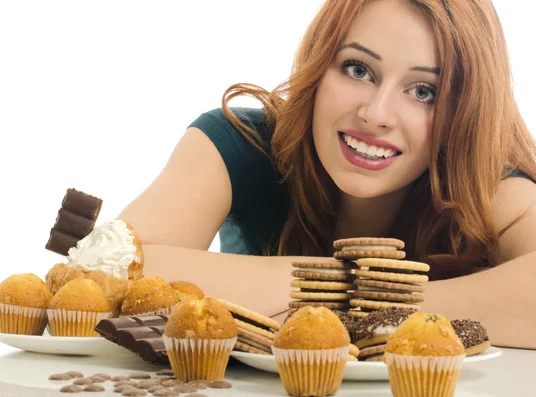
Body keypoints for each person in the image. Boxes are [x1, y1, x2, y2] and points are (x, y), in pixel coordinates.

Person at [119, 0, 536, 349]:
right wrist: (355, 285)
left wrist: (366, 304)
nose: (376, 114)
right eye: (358, 69)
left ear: (465, 113)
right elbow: (111, 269)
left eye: (423, 91)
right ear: (318, 66)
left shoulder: (483, 180)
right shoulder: (239, 143)